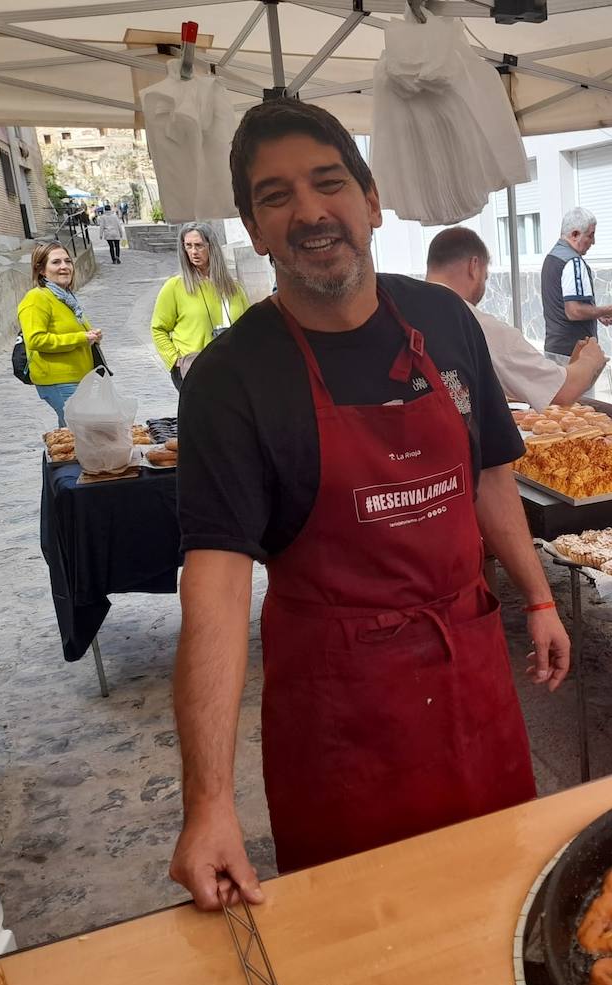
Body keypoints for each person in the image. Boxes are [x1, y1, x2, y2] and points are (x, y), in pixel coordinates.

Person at [168, 100, 570, 907]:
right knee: (361, 937)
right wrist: (209, 803)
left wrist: (537, 594)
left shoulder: (444, 320)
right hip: (340, 711)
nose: (311, 211)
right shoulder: (229, 380)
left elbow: (489, 472)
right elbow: (212, 587)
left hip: (469, 673)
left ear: (373, 201)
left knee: (501, 899)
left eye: (328, 183)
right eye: (276, 196)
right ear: (252, 227)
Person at [425, 226, 607, 408]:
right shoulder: (477, 326)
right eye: (485, 277)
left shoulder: (404, 309)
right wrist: (590, 360)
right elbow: (563, 392)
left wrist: (571, 367)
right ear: (474, 267)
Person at [151, 222, 250, 390]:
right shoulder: (175, 287)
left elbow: (249, 326)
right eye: (188, 246)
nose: (193, 252)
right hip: (194, 369)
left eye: (199, 246)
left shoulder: (234, 287)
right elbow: (158, 328)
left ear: (211, 247)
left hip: (232, 369)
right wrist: (175, 360)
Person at [18, 242, 101, 427]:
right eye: (56, 262)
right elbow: (36, 340)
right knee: (80, 433)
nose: (64, 266)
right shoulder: (37, 298)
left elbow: (70, 331)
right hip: (59, 379)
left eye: (67, 261)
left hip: (77, 377)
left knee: (73, 435)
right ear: (41, 270)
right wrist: (81, 338)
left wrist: (91, 336)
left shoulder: (65, 297)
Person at [540, 207, 612, 357]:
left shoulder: (551, 258)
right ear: (575, 234)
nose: (593, 241)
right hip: (573, 353)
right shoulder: (573, 261)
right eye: (590, 235)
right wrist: (606, 310)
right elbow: (574, 311)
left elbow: (563, 303)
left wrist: (595, 313)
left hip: (555, 349)